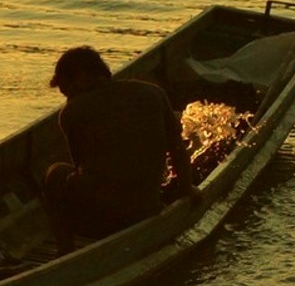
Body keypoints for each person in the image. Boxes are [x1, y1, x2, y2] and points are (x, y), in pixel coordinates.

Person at [43, 46, 199, 254]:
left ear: (82, 78)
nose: (67, 97)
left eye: (66, 88)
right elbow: (178, 149)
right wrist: (187, 189)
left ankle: (65, 250)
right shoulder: (153, 92)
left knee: (55, 174)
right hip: (148, 208)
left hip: (106, 219)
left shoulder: (73, 111)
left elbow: (80, 167)